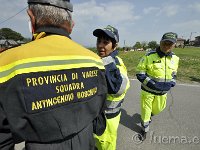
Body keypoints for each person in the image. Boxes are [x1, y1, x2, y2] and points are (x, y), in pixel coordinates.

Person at [0, 0, 107, 149]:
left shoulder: (5, 62)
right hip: (86, 142)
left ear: (31, 18)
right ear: (71, 26)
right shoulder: (94, 60)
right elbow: (100, 122)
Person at [136, 32, 179, 141]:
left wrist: (173, 81)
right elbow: (140, 73)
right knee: (146, 111)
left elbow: (174, 73)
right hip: (148, 91)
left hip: (163, 92)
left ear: (174, 45)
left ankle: (150, 115)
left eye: (170, 44)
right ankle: (144, 130)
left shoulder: (175, 58)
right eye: (165, 43)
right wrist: (152, 84)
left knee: (158, 109)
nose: (167, 46)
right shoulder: (149, 56)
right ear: (160, 42)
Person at [93, 25, 130, 150]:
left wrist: (107, 62)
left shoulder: (115, 64)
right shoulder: (98, 60)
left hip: (107, 119)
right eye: (99, 41)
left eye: (106, 42)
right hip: (95, 116)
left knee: (105, 146)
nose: (100, 45)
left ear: (115, 45)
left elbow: (118, 88)